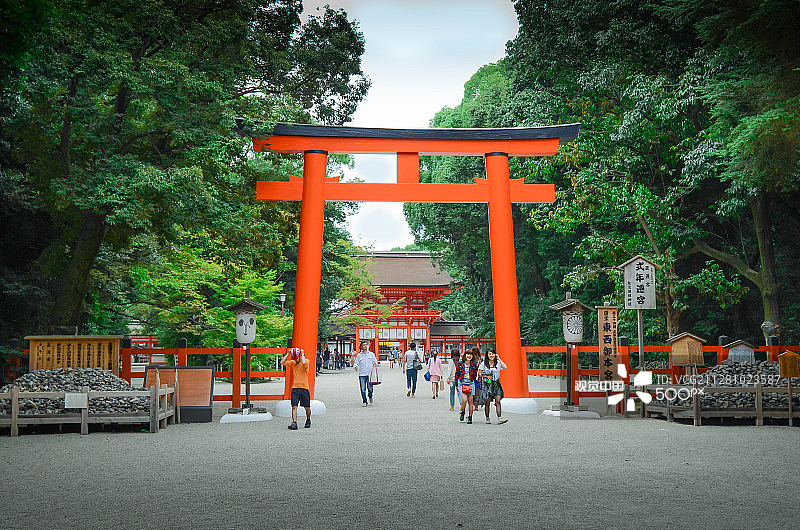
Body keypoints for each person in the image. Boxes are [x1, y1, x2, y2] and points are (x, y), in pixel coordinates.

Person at [281, 347, 312, 430]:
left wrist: (303, 353)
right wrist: (288, 353)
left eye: (296, 358)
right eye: (294, 358)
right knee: (294, 406)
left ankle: (308, 420)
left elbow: (304, 362)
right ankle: (294, 423)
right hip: (295, 388)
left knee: (307, 407)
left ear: (299, 356)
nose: (296, 360)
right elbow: (282, 362)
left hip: (304, 387)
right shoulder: (293, 363)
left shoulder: (306, 361)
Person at [478, 348, 508, 424]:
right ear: (487, 355)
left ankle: (500, 418)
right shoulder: (484, 363)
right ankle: (487, 418)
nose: (491, 355)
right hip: (487, 384)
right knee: (487, 402)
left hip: (496, 384)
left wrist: (499, 358)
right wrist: (486, 376)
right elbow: (479, 373)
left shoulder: (497, 363)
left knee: (498, 401)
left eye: (492, 353)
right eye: (489, 354)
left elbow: (505, 367)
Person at [455, 347, 479, 424]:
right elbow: (457, 374)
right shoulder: (460, 364)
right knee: (464, 400)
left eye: (471, 355)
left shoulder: (474, 364)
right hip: (462, 382)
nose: (469, 356)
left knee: (470, 401)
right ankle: (462, 411)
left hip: (471, 382)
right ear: (465, 355)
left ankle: (470, 417)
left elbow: (475, 374)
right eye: (468, 354)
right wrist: (456, 385)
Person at [353, 340, 378, 406]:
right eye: (364, 345)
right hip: (362, 374)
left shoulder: (371, 354)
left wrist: (375, 363)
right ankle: (364, 401)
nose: (365, 346)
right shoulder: (359, 355)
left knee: (370, 388)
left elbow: (375, 361)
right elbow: (356, 363)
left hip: (370, 374)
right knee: (362, 389)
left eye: (366, 345)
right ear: (361, 347)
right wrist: (356, 366)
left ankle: (370, 396)